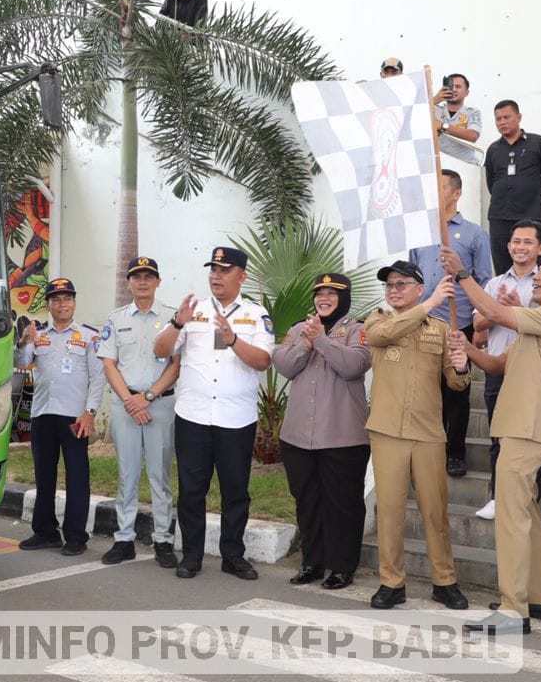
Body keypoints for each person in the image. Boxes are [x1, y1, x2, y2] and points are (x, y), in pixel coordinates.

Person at [453, 249, 541, 634]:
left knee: (510, 519)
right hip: (518, 426)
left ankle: (513, 611)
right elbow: (497, 365)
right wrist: (467, 349)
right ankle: (538, 599)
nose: (536, 277)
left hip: (527, 428)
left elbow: (495, 314)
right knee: (528, 516)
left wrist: (462, 274)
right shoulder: (536, 323)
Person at [152, 246, 275, 580]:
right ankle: (191, 554)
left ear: (242, 276)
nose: (216, 276)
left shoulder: (256, 313)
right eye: (213, 270)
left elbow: (263, 361)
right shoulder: (193, 311)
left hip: (236, 419)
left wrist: (233, 339)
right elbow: (160, 350)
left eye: (224, 270)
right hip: (193, 417)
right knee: (192, 490)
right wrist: (178, 321)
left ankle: (233, 555)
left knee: (236, 491)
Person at [362, 265, 471, 610]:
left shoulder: (439, 330)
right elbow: (380, 338)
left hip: (427, 433)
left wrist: (462, 364)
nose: (393, 290)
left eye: (401, 284)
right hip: (388, 431)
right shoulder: (377, 320)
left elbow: (456, 383)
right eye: (389, 285)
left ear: (419, 288)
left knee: (434, 511)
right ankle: (391, 582)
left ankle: (444, 581)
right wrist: (431, 303)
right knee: (390, 511)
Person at [273, 273, 371, 591]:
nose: (324, 298)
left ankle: (342, 567)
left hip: (343, 437)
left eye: (332, 293)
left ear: (344, 298)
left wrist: (322, 341)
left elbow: (354, 365)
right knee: (307, 502)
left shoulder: (359, 330)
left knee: (343, 504)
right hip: (298, 437)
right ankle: (312, 562)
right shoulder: (298, 330)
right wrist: (305, 342)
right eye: (319, 293)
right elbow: (283, 364)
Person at [97, 256, 182, 567]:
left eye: (149, 276)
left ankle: (163, 540)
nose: (143, 282)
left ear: (158, 281)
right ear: (128, 282)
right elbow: (109, 364)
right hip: (125, 406)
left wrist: (147, 397)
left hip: (159, 405)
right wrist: (131, 400)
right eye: (137, 277)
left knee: (160, 476)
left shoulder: (174, 318)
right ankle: (124, 539)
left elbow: (177, 365)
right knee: (127, 475)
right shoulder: (115, 319)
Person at [410, 170, 492, 478]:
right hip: (423, 322)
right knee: (424, 391)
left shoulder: (473, 234)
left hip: (457, 324)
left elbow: (484, 280)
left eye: (441, 187)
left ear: (456, 193)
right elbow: (413, 276)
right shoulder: (421, 232)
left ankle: (455, 452)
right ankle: (427, 451)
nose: (435, 193)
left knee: (456, 391)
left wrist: (479, 323)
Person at [14, 278, 104, 556]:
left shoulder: (88, 336)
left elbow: (98, 378)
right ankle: (45, 532)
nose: (62, 304)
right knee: (44, 476)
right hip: (43, 414)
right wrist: (22, 342)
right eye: (56, 299)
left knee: (77, 476)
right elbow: (20, 363)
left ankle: (76, 536)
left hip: (74, 417)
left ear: (74, 303)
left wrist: (89, 413)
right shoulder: (38, 335)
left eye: (67, 299)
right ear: (49, 305)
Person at [470, 219, 541, 521]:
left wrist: (513, 311)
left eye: (528, 242)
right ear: (508, 246)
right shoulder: (494, 283)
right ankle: (497, 496)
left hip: (533, 371)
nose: (520, 247)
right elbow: (477, 324)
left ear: (540, 248)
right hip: (498, 368)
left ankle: (531, 498)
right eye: (516, 241)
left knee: (532, 439)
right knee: (497, 436)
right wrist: (499, 310)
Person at [483, 100, 541, 275]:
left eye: (506, 117)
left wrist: (529, 192)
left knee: (531, 264)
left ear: (519, 117)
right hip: (499, 216)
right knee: (502, 264)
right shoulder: (493, 149)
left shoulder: (539, 143)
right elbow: (491, 183)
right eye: (498, 119)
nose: (502, 122)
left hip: (529, 214)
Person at [429, 72, 482, 165]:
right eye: (450, 86)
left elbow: (472, 136)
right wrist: (433, 100)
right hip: (438, 164)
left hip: (465, 164)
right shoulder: (433, 108)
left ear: (467, 92)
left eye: (458, 87)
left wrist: (442, 126)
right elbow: (410, 118)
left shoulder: (473, 112)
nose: (453, 90)